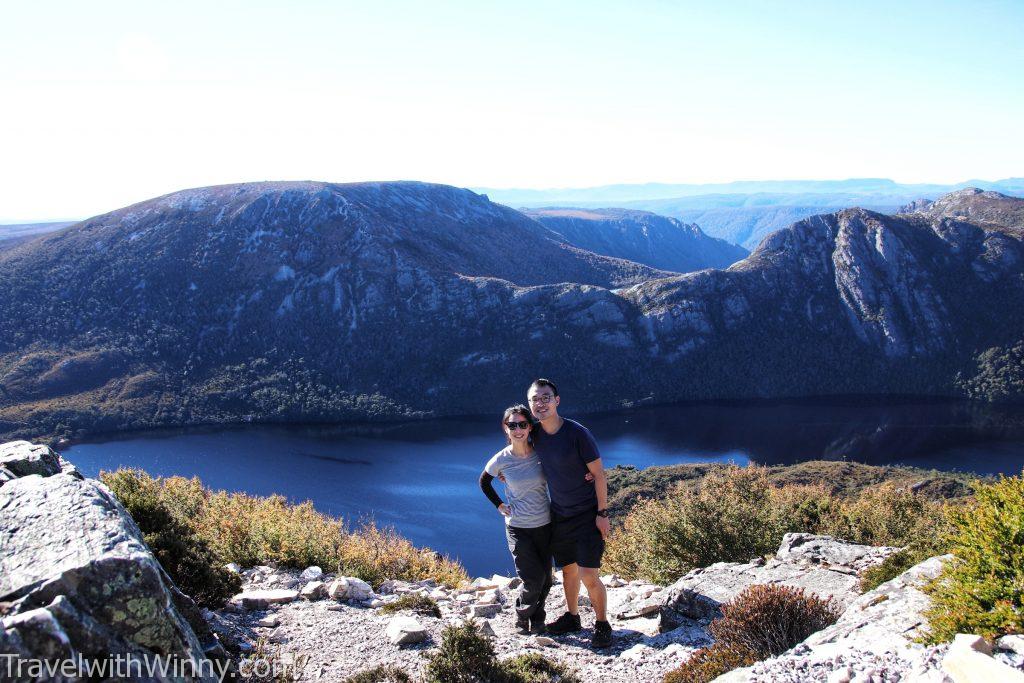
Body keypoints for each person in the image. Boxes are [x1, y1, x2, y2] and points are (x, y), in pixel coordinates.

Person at [527, 378, 613, 649]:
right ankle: (573, 617)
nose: (540, 403)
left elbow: (598, 475)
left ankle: (602, 624)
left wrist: (602, 512)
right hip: (560, 515)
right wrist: (505, 473)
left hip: (587, 514)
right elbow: (519, 453)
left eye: (545, 397)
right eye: (535, 399)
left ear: (557, 400)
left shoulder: (577, 433)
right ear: (530, 405)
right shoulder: (535, 435)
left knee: (589, 574)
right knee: (568, 572)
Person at [479, 405, 554, 635]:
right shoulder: (501, 459)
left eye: (523, 424)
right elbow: (484, 482)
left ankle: (538, 618)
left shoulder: (541, 452)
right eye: (513, 425)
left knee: (547, 580)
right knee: (533, 579)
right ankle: (522, 616)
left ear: (530, 427)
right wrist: (500, 505)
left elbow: (563, 469)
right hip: (518, 527)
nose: (518, 429)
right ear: (506, 428)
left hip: (545, 524)